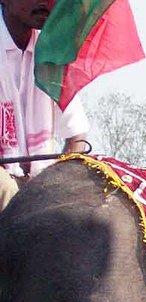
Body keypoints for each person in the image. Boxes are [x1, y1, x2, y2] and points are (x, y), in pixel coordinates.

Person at [0, 0, 89, 209]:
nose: (45, 2)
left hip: (37, 182)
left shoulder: (50, 53)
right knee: (6, 191)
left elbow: (77, 134)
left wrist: (56, 179)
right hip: (6, 185)